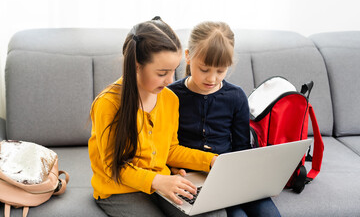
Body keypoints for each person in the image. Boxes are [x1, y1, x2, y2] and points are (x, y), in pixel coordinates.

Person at [88, 17, 227, 217]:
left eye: (173, 71)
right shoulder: (108, 104)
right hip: (120, 190)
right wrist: (157, 181)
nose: (170, 80)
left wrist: (212, 160)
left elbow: (169, 150)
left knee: (214, 213)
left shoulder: (170, 99)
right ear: (136, 65)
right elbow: (114, 168)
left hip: (162, 183)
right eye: (162, 73)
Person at [168, 21, 282, 217]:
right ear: (188, 56)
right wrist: (171, 167)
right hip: (192, 178)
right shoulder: (171, 96)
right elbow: (165, 145)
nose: (212, 79)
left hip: (231, 176)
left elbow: (242, 148)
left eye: (220, 71)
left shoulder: (236, 97)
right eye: (204, 69)